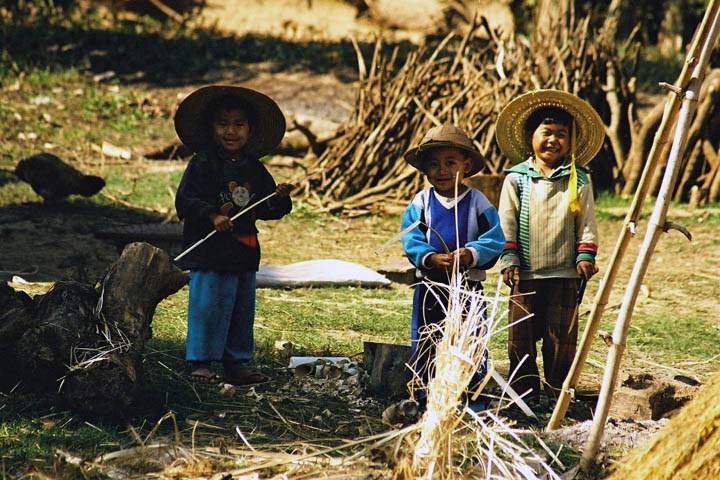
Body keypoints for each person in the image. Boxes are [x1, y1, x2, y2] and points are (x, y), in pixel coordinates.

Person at [174, 85, 292, 385]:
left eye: (239, 124)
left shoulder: (254, 167)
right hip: (211, 252)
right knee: (209, 305)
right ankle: (201, 361)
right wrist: (212, 216)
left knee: (241, 309)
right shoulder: (202, 163)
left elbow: (267, 207)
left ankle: (237, 362)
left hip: (243, 251)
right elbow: (186, 200)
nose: (231, 131)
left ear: (250, 130)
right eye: (223, 124)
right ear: (210, 128)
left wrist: (279, 197)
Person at [495, 89, 604, 399]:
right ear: (531, 136)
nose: (553, 140)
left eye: (561, 134)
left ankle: (558, 395)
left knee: (561, 342)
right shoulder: (517, 179)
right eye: (547, 132)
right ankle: (523, 396)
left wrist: (585, 256)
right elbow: (507, 223)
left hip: (565, 274)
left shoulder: (578, 179)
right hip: (525, 275)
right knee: (521, 338)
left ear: (570, 141)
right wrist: (510, 260)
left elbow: (587, 223)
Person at [400, 124, 505, 408]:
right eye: (434, 165)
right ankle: (425, 392)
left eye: (450, 163)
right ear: (424, 170)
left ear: (466, 165)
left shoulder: (477, 203)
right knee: (427, 337)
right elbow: (410, 237)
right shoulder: (421, 202)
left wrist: (471, 254)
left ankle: (471, 394)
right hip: (431, 287)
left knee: (470, 339)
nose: (442, 171)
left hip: (467, 287)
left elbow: (495, 239)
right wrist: (430, 257)